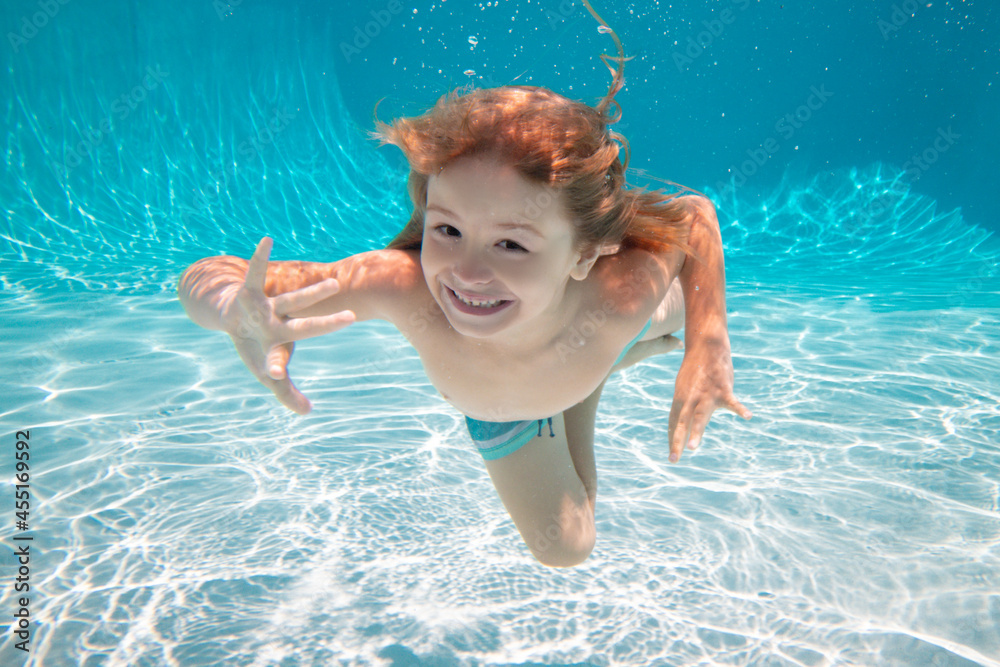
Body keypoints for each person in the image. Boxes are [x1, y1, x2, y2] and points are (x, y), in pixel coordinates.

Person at [178, 36, 750, 568]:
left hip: (599, 322)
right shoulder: (400, 286)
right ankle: (588, 380)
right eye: (447, 231)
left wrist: (708, 345)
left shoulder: (623, 292)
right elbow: (209, 274)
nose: (468, 273)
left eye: (511, 243)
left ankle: (591, 370)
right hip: (505, 406)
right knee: (568, 549)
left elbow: (695, 215)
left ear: (585, 254)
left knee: (672, 312)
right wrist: (233, 307)